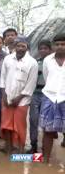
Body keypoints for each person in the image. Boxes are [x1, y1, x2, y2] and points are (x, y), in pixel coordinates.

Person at [0, 37, 38, 154]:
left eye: (23, 46)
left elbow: (31, 84)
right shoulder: (7, 59)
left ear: (27, 47)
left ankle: (21, 151)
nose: (20, 48)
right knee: (7, 126)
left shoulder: (32, 63)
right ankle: (10, 149)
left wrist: (19, 98)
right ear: (15, 46)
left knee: (20, 127)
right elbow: (2, 78)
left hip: (22, 101)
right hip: (7, 98)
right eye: (18, 46)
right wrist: (4, 95)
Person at [40, 33, 65, 163]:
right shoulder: (47, 60)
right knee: (48, 131)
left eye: (63, 44)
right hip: (49, 98)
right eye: (57, 44)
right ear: (54, 46)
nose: (60, 46)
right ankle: (45, 160)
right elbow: (46, 77)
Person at [26, 40, 52, 154]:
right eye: (41, 48)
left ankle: (46, 148)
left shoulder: (54, 63)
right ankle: (34, 145)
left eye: (45, 48)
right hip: (35, 94)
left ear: (50, 49)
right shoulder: (35, 63)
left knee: (48, 122)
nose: (43, 50)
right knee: (33, 120)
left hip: (49, 95)